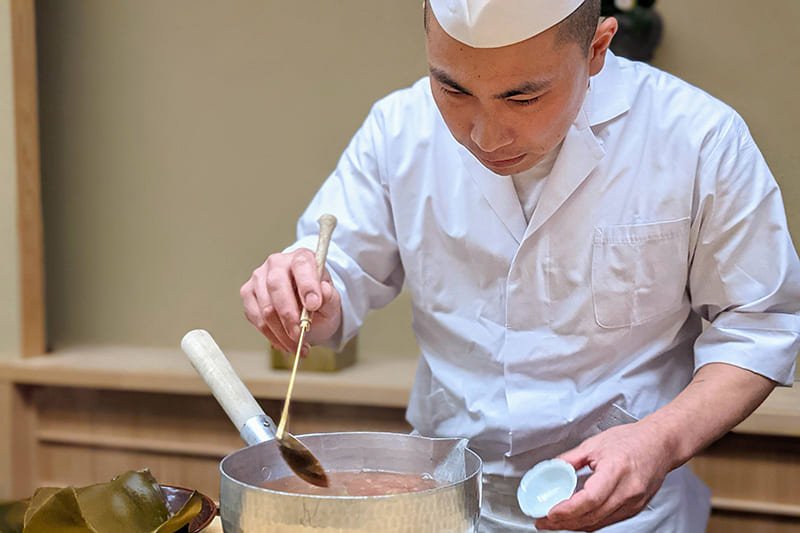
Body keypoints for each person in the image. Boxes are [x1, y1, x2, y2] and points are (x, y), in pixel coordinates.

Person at [240, 1, 800, 531]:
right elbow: (338, 272)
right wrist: (305, 295)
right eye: (453, 89)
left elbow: (759, 324)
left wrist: (664, 439)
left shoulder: (697, 137)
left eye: (524, 98)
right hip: (442, 499)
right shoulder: (398, 130)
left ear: (596, 50)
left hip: (630, 514)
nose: (485, 136)